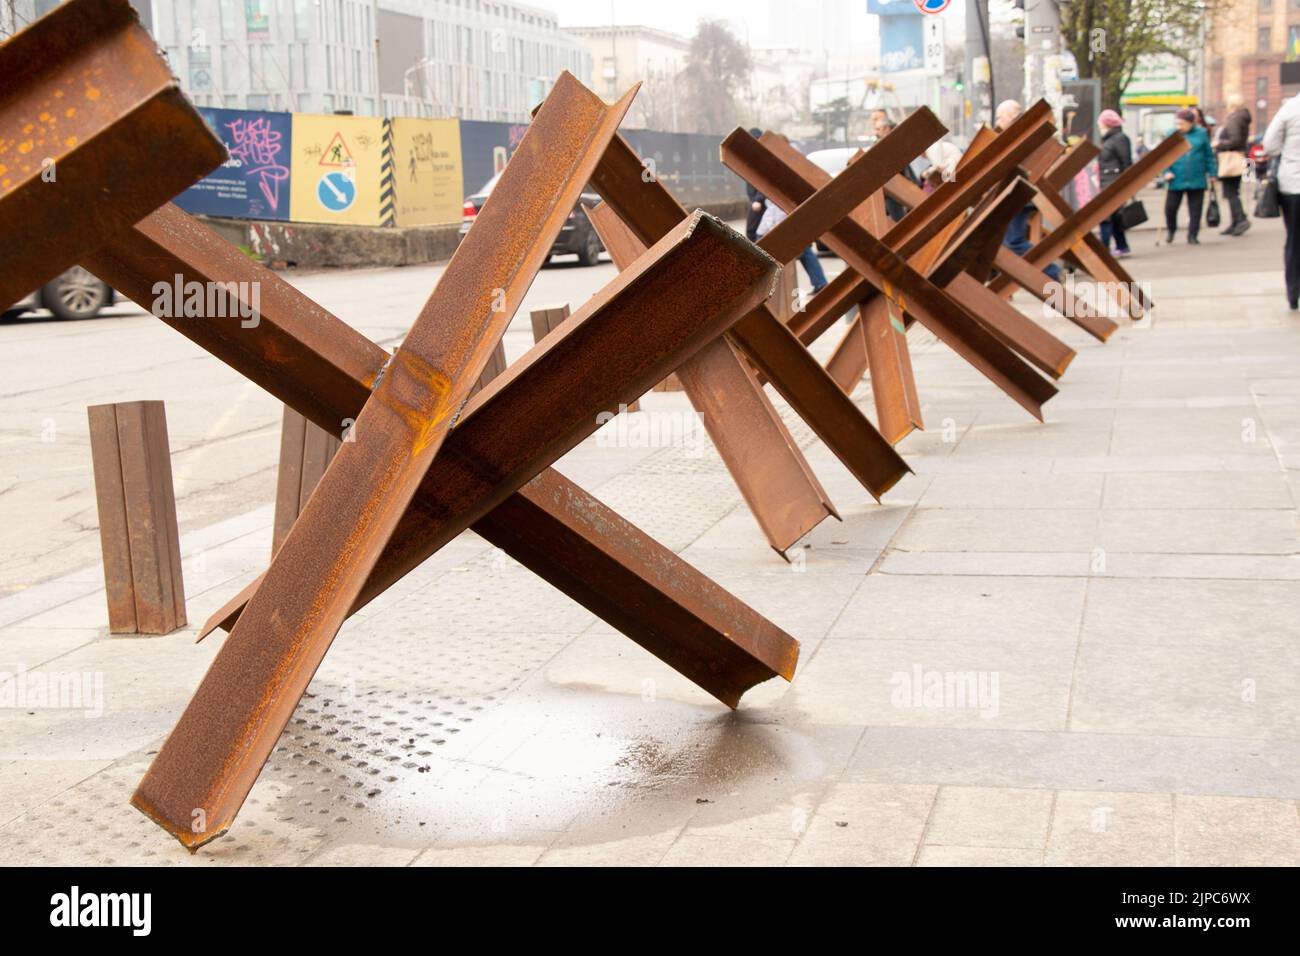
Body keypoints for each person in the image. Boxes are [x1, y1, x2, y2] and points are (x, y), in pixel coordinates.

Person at [994, 99, 1061, 279]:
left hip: (1020, 195)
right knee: (1008, 241)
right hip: (1024, 194)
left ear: (1009, 117)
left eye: (999, 117)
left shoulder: (1020, 133)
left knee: (1013, 242)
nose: (997, 123)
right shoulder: (1030, 130)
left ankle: (1052, 272)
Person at [1263, 93, 1300, 309]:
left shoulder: (1290, 107)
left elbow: (1270, 146)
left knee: (1294, 240)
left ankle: (1293, 292)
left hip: (1293, 184)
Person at [1162, 108, 1217, 244]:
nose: (1179, 126)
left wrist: (1212, 173)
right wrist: (1167, 171)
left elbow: (1208, 155)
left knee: (1195, 209)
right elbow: (1164, 156)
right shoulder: (1171, 134)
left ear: (1191, 123)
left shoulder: (1201, 134)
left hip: (1196, 176)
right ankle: (1171, 229)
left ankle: (1193, 235)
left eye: (1182, 123)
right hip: (1176, 177)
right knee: (1170, 207)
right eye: (1177, 123)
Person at [755, 201, 827, 293]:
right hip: (774, 230)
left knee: (805, 253)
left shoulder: (779, 199)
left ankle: (820, 283)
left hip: (776, 230)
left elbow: (776, 213)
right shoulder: (779, 199)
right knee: (805, 253)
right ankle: (820, 283)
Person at [1096, 109, 1133, 257]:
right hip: (1106, 182)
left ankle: (1103, 249)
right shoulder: (1109, 139)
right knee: (1114, 218)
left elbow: (1126, 163)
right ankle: (1122, 246)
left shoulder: (1119, 139)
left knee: (1105, 217)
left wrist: (1127, 186)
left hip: (1113, 183)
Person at [1214, 93, 1252, 236]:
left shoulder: (1234, 119)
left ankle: (1240, 220)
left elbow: (1234, 140)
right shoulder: (1243, 118)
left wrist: (1219, 144)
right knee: (1233, 192)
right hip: (1240, 157)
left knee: (1230, 192)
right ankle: (1236, 221)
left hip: (1231, 158)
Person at [744, 128, 766, 241]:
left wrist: (758, 199)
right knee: (755, 231)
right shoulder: (753, 156)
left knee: (752, 231)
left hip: (761, 201)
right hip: (756, 200)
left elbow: (765, 182)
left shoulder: (762, 157)